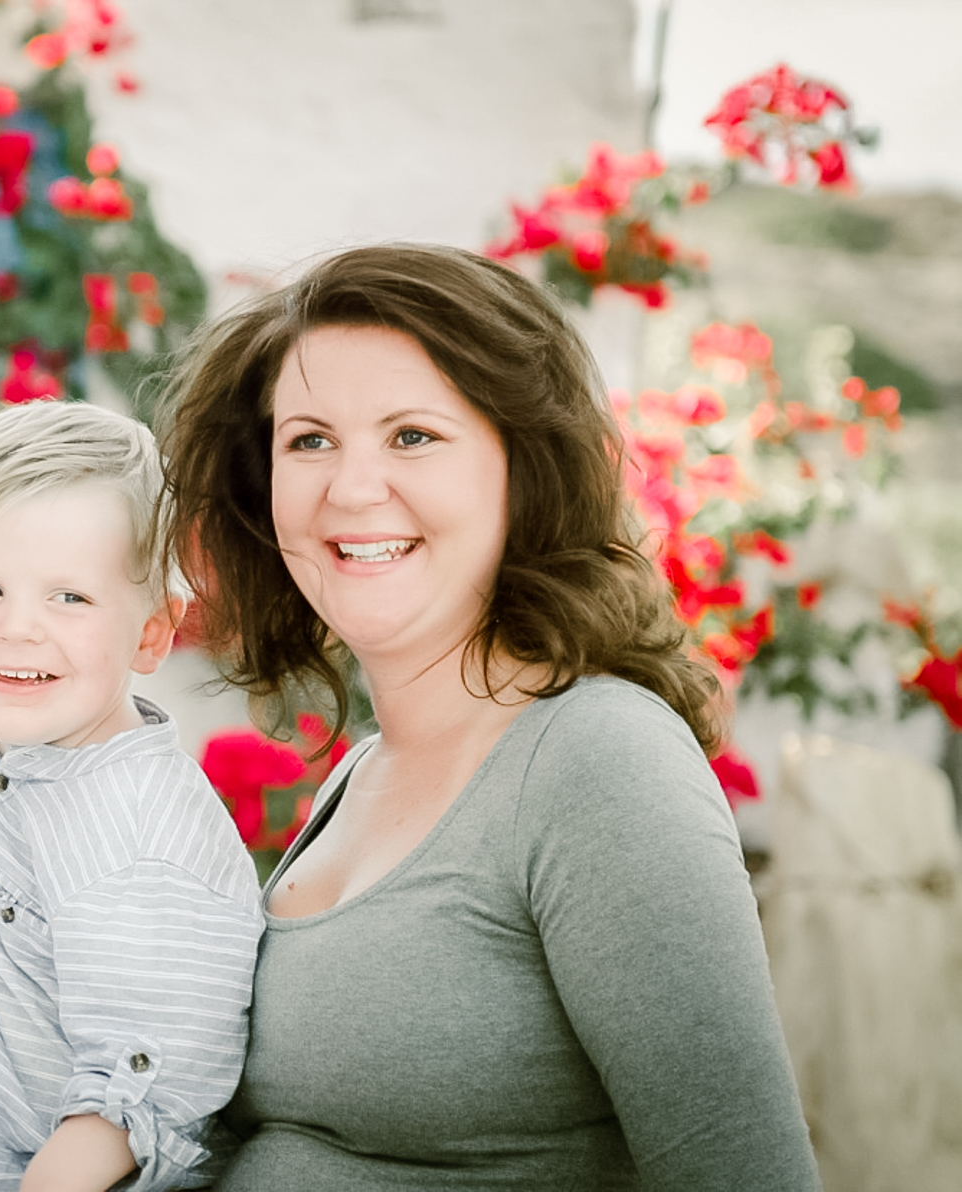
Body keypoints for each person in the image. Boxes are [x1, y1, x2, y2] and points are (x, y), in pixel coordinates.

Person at [158, 244, 821, 1189]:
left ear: (523, 469)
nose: (350, 488)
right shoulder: (364, 772)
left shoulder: (596, 760)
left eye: (412, 436)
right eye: (308, 439)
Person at [0, 402, 264, 1192]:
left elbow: (139, 1092)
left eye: (70, 598)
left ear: (150, 633)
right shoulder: (10, 758)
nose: (20, 628)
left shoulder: (135, 832)